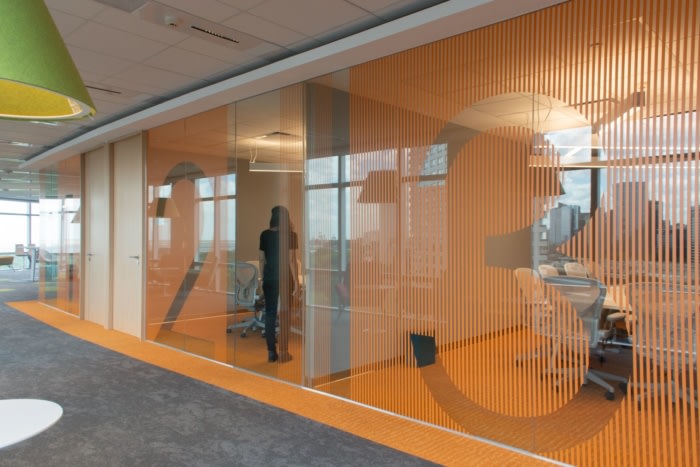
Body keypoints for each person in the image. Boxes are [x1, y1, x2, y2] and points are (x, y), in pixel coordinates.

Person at [259, 205, 299, 362]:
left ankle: (271, 352)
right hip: (285, 278)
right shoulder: (291, 235)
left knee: (270, 313)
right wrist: (296, 282)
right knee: (285, 314)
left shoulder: (264, 235)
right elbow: (292, 260)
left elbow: (262, 259)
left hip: (269, 278)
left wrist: (262, 278)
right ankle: (284, 352)